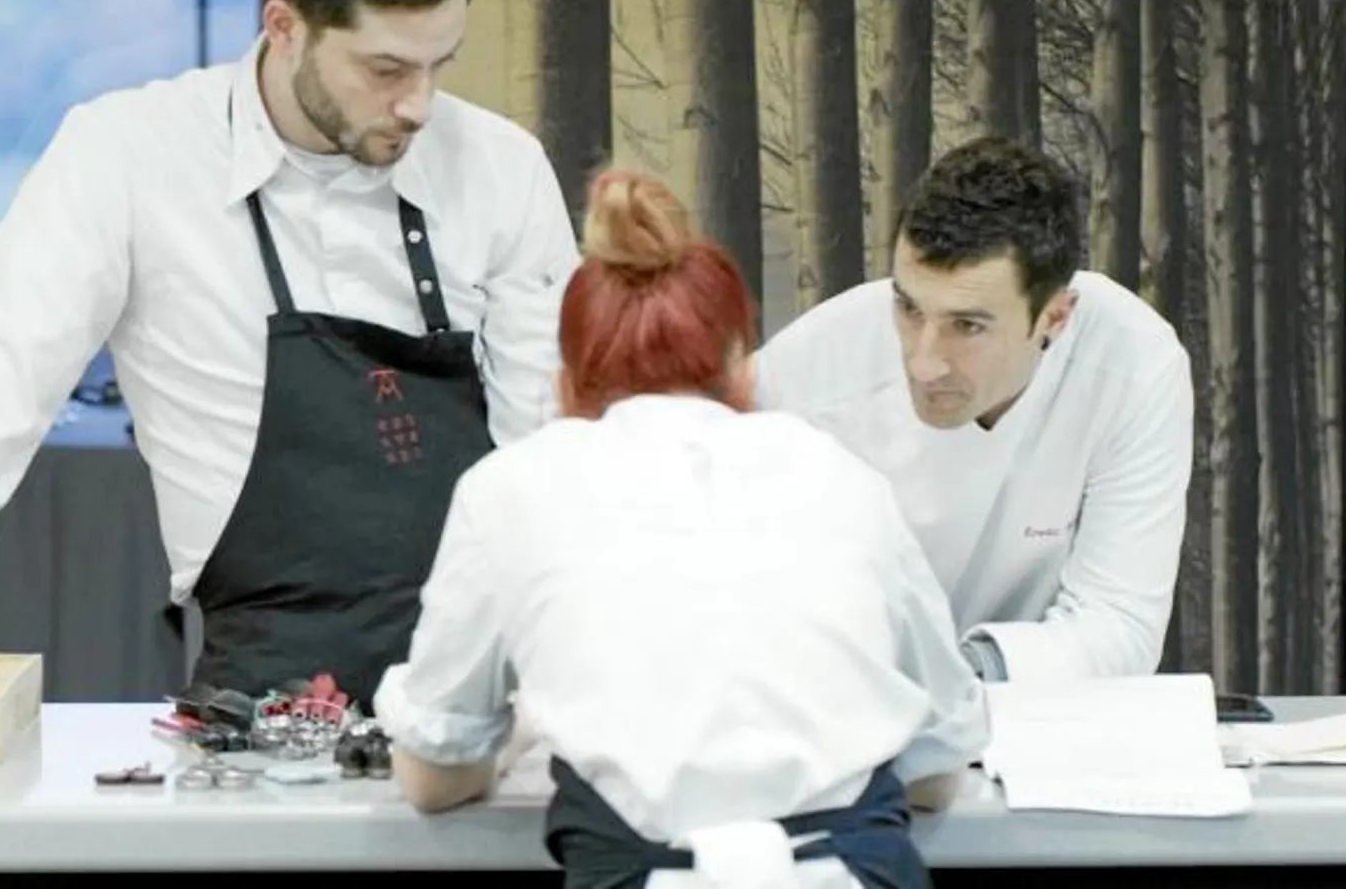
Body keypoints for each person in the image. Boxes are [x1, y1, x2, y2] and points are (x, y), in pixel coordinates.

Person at [0, 0, 581, 709]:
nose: (418, 104)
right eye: (385, 69)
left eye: (438, 65)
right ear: (284, 26)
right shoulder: (128, 155)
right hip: (258, 719)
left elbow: (550, 450)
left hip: (484, 698)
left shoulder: (499, 167)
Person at [372, 169, 989, 889]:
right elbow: (940, 766)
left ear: (566, 387)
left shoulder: (511, 488)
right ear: (741, 379)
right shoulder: (839, 476)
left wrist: (516, 737)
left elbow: (431, 775)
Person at [755, 135, 1194, 683]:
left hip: (1031, 719)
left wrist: (958, 678)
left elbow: (1118, 623)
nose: (924, 362)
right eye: (909, 308)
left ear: (1055, 317)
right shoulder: (804, 374)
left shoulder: (1134, 364)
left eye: (968, 326)